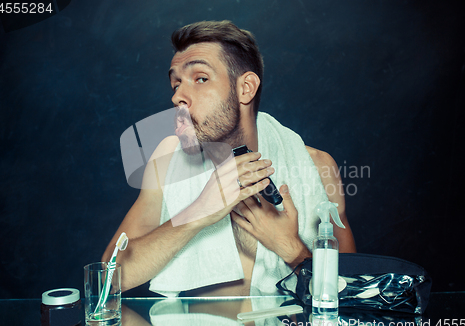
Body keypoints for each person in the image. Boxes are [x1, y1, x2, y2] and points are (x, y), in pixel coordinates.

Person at [103, 20, 355, 298]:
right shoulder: (168, 161)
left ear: (246, 88)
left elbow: (353, 296)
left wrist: (290, 248)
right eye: (176, 83)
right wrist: (198, 211)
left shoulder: (317, 167)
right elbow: (108, 280)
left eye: (200, 79)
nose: (178, 97)